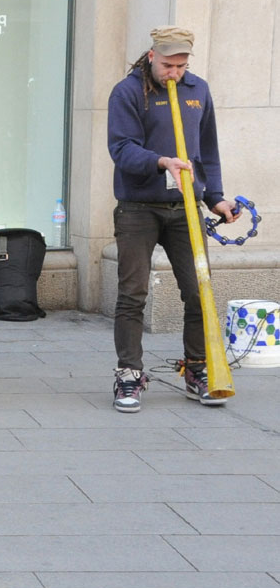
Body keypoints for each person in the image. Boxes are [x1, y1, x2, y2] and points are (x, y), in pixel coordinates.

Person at [107, 26, 237, 413]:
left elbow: (207, 152)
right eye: (167, 65)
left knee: (199, 291)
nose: (174, 73)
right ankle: (129, 374)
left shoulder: (198, 91)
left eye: (181, 66)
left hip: (186, 208)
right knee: (133, 293)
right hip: (138, 207)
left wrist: (215, 197)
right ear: (152, 56)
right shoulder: (128, 92)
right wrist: (160, 161)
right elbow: (121, 149)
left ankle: (197, 369)